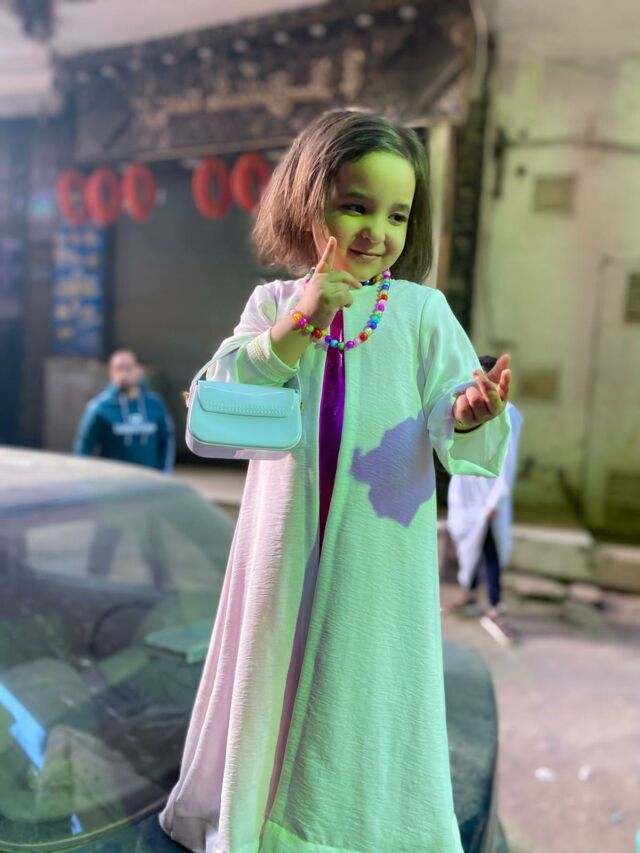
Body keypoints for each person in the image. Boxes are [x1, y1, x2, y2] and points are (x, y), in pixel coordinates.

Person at [160, 110, 511, 853]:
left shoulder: (421, 312)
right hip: (281, 554)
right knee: (273, 684)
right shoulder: (272, 304)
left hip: (377, 560)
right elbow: (216, 406)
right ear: (307, 201)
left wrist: (471, 411)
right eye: (356, 206)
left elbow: (454, 420)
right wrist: (300, 320)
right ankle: (258, 824)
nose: (377, 231)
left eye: (397, 215)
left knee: (361, 693)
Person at [445, 355, 524, 645]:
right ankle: (468, 594)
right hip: (465, 493)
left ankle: (494, 608)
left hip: (489, 497)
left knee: (490, 550)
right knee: (467, 546)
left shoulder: (507, 412)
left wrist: (496, 499)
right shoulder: (461, 403)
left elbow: (508, 459)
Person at [73, 348, 175, 473]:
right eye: (118, 369)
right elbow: (84, 445)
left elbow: (167, 440)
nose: (123, 375)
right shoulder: (99, 407)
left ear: (139, 370)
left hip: (149, 479)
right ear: (111, 373)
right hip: (115, 480)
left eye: (128, 368)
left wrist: (164, 473)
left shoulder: (155, 404)